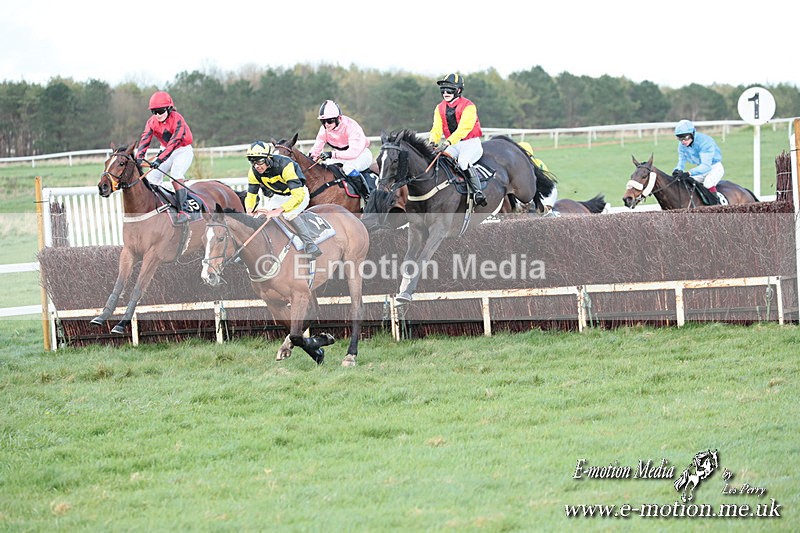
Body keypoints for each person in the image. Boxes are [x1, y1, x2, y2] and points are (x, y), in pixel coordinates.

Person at [243, 141, 320, 257]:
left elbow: (298, 196)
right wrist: (249, 210)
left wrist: (279, 210)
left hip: (298, 194)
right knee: (258, 217)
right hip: (278, 197)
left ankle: (310, 244)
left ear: (269, 158)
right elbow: (251, 195)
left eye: (260, 161)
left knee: (288, 215)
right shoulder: (253, 172)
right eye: (253, 162)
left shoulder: (286, 165)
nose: (256, 166)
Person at [135, 90, 194, 223]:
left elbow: (173, 143)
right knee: (152, 178)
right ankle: (156, 209)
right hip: (165, 150)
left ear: (168, 108)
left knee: (176, 174)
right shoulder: (151, 122)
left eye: (160, 111)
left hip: (182, 150)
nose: (157, 115)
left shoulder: (178, 119)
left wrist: (159, 160)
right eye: (154, 111)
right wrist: (138, 158)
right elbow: (145, 139)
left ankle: (183, 211)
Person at [429, 73, 487, 206]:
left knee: (463, 162)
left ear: (458, 90)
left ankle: (478, 193)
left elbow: (463, 129)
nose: (445, 93)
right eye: (443, 89)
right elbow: (436, 128)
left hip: (470, 143)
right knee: (438, 161)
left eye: (449, 89)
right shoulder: (439, 108)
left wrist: (447, 142)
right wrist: (432, 141)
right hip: (454, 144)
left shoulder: (469, 106)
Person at [309, 100, 373, 197]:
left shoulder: (351, 126)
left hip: (361, 155)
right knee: (326, 168)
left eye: (329, 121)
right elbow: (317, 147)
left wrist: (331, 154)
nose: (326, 124)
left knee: (348, 168)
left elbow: (353, 153)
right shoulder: (324, 129)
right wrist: (311, 158)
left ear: (338, 118)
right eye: (323, 121)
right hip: (341, 156)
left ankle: (367, 196)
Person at [672, 119, 725, 203]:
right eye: (680, 138)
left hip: (714, 167)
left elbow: (706, 166)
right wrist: (677, 170)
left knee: (708, 183)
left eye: (685, 137)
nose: (683, 141)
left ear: (693, 133)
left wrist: (688, 173)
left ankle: (716, 206)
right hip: (701, 170)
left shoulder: (705, 142)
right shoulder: (682, 145)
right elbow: (681, 161)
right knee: (686, 183)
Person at [519, 141, 558, 215]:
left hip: (545, 194)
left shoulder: (526, 166)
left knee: (545, 214)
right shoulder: (538, 161)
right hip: (546, 191)